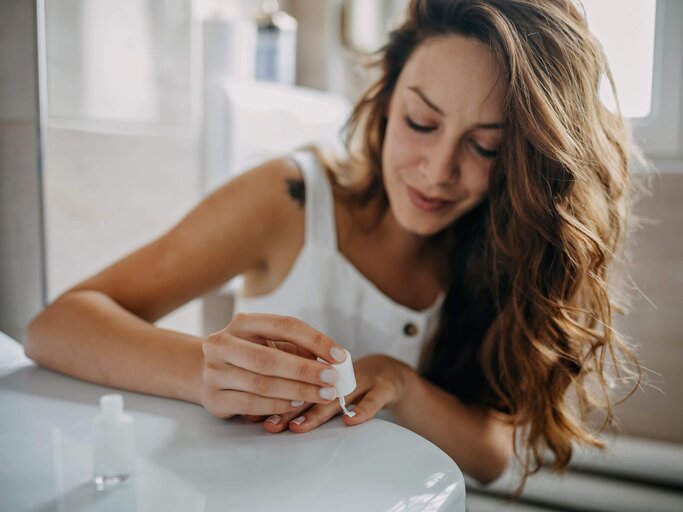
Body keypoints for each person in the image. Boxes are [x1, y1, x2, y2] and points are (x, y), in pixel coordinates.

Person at [26, 0, 642, 486]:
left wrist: (400, 383)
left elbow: (490, 456)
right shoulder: (289, 199)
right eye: (420, 123)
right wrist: (202, 372)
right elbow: (55, 327)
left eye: (484, 146)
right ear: (383, 100)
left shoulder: (501, 249)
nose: (437, 170)